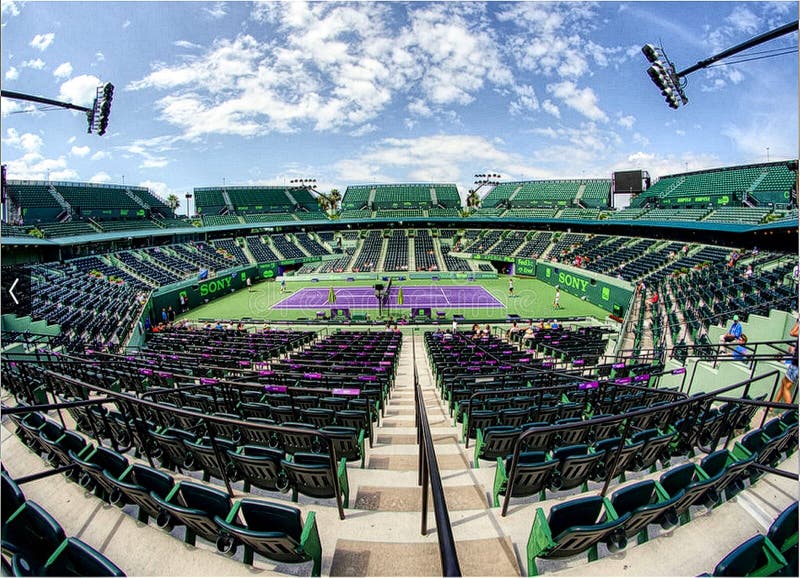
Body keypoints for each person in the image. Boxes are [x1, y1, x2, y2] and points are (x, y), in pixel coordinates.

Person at [775, 322, 799, 408]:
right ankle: (772, 405)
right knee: (784, 383)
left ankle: (790, 411)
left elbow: (792, 332)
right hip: (795, 363)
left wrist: (798, 322)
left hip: (796, 365)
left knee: (786, 387)